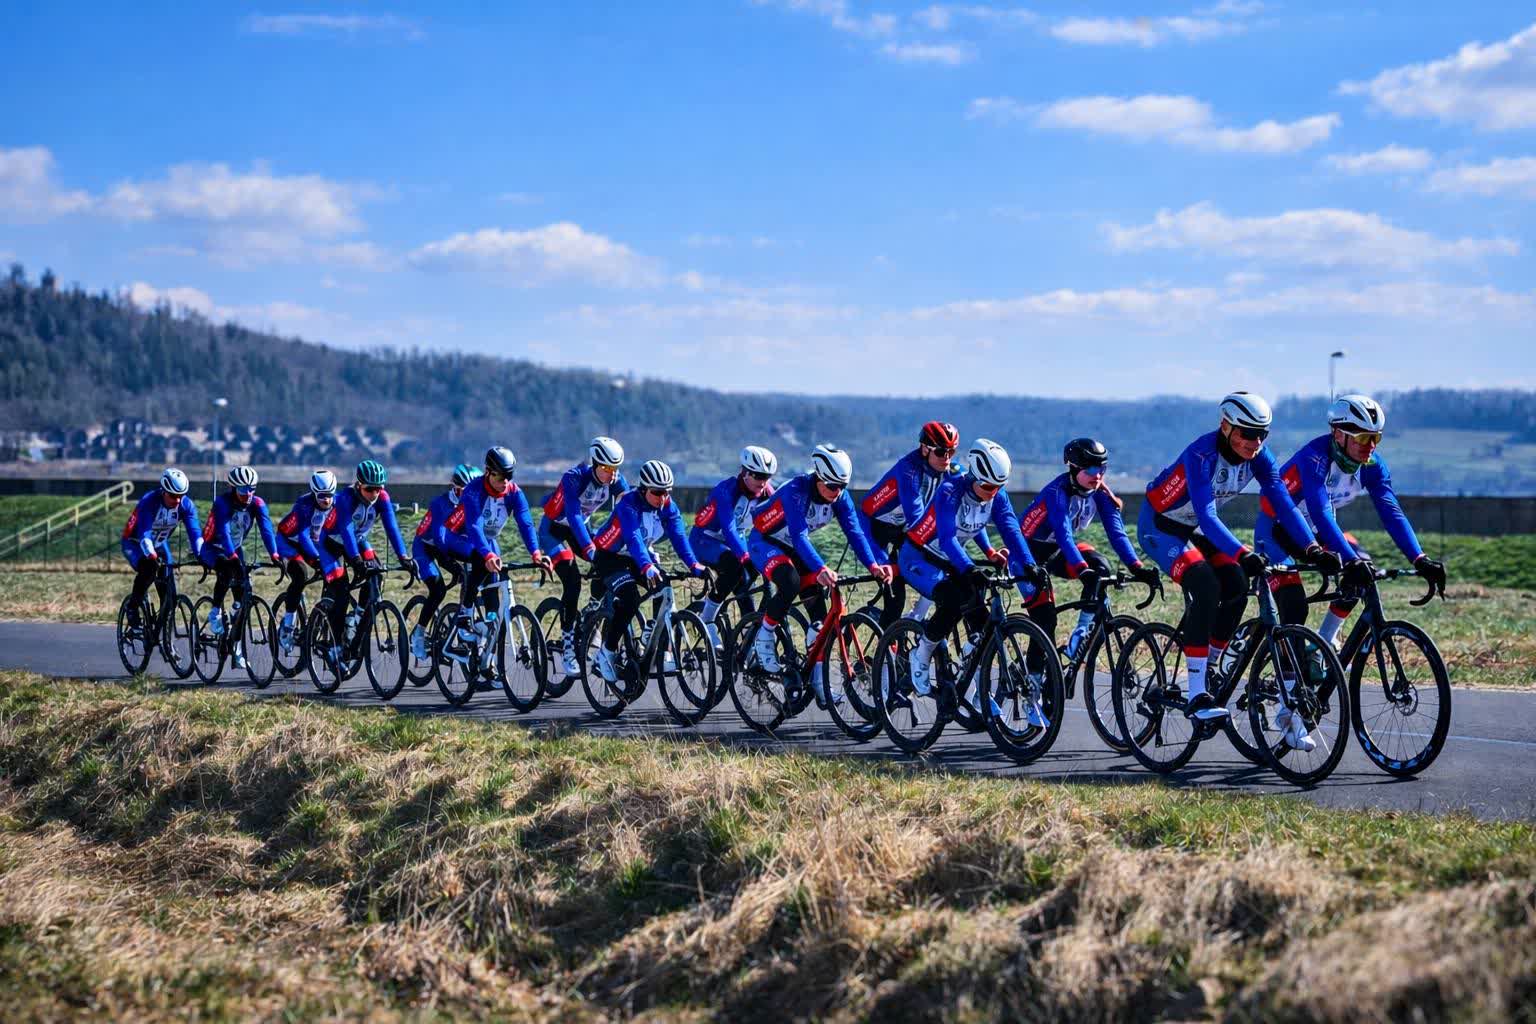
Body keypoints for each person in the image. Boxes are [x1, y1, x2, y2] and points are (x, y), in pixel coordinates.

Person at [1139, 392, 1341, 723]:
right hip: (1160, 526)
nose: (1255, 441)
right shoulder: (1201, 454)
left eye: (1263, 433)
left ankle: (1213, 665)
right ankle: (1195, 692)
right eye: (1247, 433)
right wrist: (1243, 552)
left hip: (1193, 528)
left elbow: (1285, 507)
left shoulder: (1261, 457)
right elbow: (1206, 516)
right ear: (1225, 426)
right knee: (1205, 585)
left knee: (1235, 583)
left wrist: (1313, 549)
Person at [1256, 393, 1447, 645]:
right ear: (1338, 434)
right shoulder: (1314, 458)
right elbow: (1320, 511)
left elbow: (1392, 513)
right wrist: (1349, 559)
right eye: (1363, 437)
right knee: (1294, 606)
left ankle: (1323, 643)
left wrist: (1419, 558)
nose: (1371, 445)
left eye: (1376, 437)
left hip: (1316, 531)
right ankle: (1290, 680)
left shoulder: (1372, 466)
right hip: (1276, 531)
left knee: (1362, 571)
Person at [898, 439, 1049, 720]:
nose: (993, 494)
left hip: (949, 558)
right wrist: (968, 567)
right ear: (975, 476)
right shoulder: (950, 490)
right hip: (919, 556)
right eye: (988, 487)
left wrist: (1029, 565)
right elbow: (947, 538)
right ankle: (921, 654)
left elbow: (1012, 532)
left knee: (981, 623)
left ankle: (973, 679)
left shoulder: (996, 495)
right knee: (953, 599)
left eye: (999, 487)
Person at [746, 444, 896, 704]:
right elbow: (799, 536)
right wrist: (821, 568)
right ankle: (765, 635)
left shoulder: (839, 496)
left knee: (820, 621)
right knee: (790, 582)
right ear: (818, 477)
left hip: (793, 547)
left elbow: (856, 534)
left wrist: (874, 565)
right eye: (832, 486)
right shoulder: (796, 491)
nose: (837, 493)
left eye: (843, 487)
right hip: (766, 542)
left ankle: (818, 683)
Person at [1017, 438, 1161, 667]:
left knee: (1101, 566)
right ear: (1073, 469)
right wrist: (1082, 570)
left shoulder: (1100, 493)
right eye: (1091, 469)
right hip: (1027, 554)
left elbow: (1117, 534)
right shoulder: (1057, 493)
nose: (1098, 475)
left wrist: (1137, 567)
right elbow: (1064, 536)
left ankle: (1079, 637)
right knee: (1045, 619)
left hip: (1057, 551)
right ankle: (1034, 680)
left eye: (1102, 468)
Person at [587, 460, 709, 686]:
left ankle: (656, 640)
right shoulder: (629, 505)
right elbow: (633, 539)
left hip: (636, 556)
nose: (663, 498)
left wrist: (695, 566)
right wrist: (646, 566)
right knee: (630, 598)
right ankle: (607, 651)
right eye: (657, 493)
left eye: (667, 493)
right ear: (643, 489)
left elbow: (680, 539)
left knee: (663, 586)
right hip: (610, 556)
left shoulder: (668, 507)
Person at [440, 447, 554, 679]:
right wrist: (487, 555)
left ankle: (487, 660)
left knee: (495, 601)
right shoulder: (474, 491)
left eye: (509, 476)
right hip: (456, 537)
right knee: (481, 559)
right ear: (488, 472)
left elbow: (525, 523)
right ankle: (464, 616)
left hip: (486, 541)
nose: (505, 482)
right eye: (500, 476)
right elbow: (473, 528)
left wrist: (535, 553)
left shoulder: (513, 492)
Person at [537, 436, 628, 677]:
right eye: (608, 468)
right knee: (573, 581)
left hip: (581, 529)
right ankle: (568, 648)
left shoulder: (615, 480)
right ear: (596, 463)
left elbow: (627, 511)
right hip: (554, 530)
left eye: (616, 468)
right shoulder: (574, 478)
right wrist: (589, 548)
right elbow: (574, 515)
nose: (612, 474)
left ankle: (593, 613)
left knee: (609, 564)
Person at [858, 421, 959, 628]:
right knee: (895, 595)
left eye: (952, 451)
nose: (947, 458)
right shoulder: (909, 470)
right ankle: (887, 654)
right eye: (941, 452)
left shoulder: (949, 469)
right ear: (924, 449)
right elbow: (917, 518)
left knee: (934, 575)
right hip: (874, 528)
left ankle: (913, 621)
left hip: (902, 530)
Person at [316, 459, 413, 668]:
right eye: (370, 489)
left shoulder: (382, 498)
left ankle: (358, 617)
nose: (375, 493)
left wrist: (404, 556)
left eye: (379, 488)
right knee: (341, 592)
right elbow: (346, 530)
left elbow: (392, 529)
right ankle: (335, 647)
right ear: (359, 485)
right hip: (332, 544)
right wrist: (357, 561)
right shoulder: (344, 499)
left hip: (358, 542)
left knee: (376, 576)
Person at [689, 445, 777, 646]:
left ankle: (749, 629)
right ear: (745, 472)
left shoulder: (766, 493)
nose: (763, 482)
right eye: (758, 476)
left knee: (748, 578)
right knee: (735, 567)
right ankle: (707, 617)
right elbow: (728, 529)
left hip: (736, 541)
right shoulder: (726, 491)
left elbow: (778, 525)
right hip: (705, 540)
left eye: (767, 477)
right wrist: (744, 556)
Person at [198, 466, 280, 663]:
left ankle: (235, 646)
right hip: (213, 547)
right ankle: (215, 611)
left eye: (252, 488)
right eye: (243, 490)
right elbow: (224, 533)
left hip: (235, 549)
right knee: (226, 571)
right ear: (233, 488)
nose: (248, 494)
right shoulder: (223, 503)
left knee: (244, 596)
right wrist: (231, 556)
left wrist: (275, 555)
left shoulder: (257, 504)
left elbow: (267, 531)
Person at [407, 463, 479, 660]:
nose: (465, 496)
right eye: (461, 491)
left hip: (449, 546)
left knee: (471, 577)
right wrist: (453, 564)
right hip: (427, 546)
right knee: (438, 590)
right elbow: (440, 539)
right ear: (454, 488)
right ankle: (419, 634)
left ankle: (463, 616)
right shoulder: (441, 504)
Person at [119, 467, 203, 629]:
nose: (177, 500)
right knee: (149, 568)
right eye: (173, 496)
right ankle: (133, 607)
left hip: (159, 544)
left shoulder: (186, 505)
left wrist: (201, 554)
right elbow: (144, 534)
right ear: (164, 491)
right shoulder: (149, 501)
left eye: (181, 495)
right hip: (135, 543)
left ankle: (163, 636)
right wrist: (150, 555)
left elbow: (195, 533)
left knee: (169, 597)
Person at [274, 469, 337, 649]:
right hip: (289, 542)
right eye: (322, 496)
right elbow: (303, 536)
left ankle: (321, 617)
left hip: (313, 543)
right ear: (314, 493)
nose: (326, 500)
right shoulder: (304, 504)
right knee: (300, 574)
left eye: (330, 495)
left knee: (333, 573)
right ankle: (288, 624)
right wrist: (318, 559)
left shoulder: (337, 502)